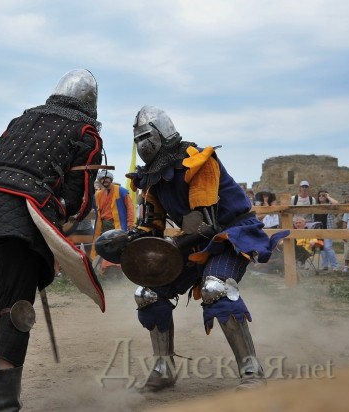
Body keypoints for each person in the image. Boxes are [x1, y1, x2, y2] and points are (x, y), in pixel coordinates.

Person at [0, 68, 104, 411]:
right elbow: (77, 199)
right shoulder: (85, 132)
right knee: (16, 308)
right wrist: (57, 224)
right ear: (90, 103)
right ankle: (4, 406)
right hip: (20, 217)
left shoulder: (22, 119)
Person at [120, 106, 287, 391]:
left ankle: (251, 370)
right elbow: (151, 226)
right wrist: (125, 241)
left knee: (215, 287)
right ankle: (163, 369)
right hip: (192, 240)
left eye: (146, 136)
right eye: (138, 138)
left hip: (230, 236)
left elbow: (205, 224)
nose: (142, 143)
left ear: (163, 133)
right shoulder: (150, 177)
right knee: (148, 292)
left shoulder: (198, 161)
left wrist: (172, 244)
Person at [92, 170, 135, 278]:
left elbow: (130, 209)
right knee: (105, 248)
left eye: (106, 178)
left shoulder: (121, 191)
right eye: (102, 179)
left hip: (119, 225)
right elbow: (94, 210)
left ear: (110, 179)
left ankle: (120, 272)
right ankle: (106, 272)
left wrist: (130, 223)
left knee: (118, 248)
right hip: (103, 226)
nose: (105, 180)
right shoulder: (97, 195)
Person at [315, 190, 340, 271]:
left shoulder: (330, 206)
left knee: (328, 247)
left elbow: (336, 204)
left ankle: (335, 265)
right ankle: (325, 265)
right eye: (320, 195)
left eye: (323, 195)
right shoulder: (315, 207)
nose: (321, 196)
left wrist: (328, 196)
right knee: (322, 248)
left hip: (328, 229)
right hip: (318, 230)